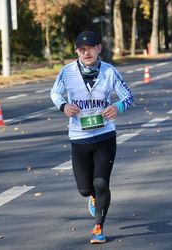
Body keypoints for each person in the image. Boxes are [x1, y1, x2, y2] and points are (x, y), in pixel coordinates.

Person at [50, 31, 134, 244]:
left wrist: (118, 107)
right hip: (79, 137)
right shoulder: (67, 72)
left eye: (90, 48)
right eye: (81, 49)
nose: (86, 52)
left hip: (105, 135)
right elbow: (55, 93)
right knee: (85, 189)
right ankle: (94, 197)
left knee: (101, 182)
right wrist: (63, 106)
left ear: (99, 48)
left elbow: (128, 96)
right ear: (76, 51)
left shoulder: (110, 72)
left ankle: (99, 226)